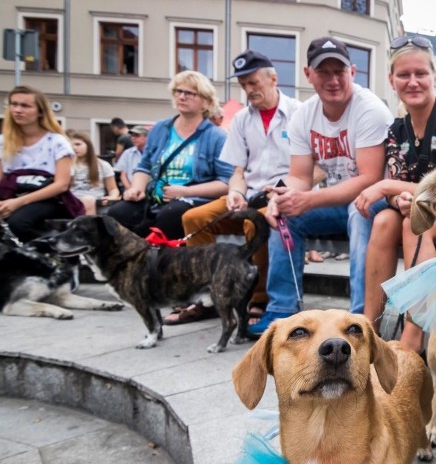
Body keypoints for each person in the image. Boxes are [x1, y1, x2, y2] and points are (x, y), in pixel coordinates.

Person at [248, 36, 394, 337]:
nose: (333, 79)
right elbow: (300, 176)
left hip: (377, 198)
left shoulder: (370, 109)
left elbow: (370, 178)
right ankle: (281, 310)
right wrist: (281, 196)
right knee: (284, 213)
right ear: (308, 74)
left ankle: (359, 319)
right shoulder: (304, 115)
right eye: (323, 72)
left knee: (360, 209)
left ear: (352, 72)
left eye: (339, 71)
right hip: (338, 199)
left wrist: (309, 200)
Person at [355, 34, 436, 352]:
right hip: (435, 211)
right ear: (392, 80)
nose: (413, 82)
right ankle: (367, 326)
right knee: (387, 220)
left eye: (421, 74)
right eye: (404, 75)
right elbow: (402, 185)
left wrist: (387, 186)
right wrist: (395, 196)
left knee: (412, 221)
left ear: (435, 78)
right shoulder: (397, 130)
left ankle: (413, 335)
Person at [167, 50, 301, 325]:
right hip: (249, 191)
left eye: (253, 83)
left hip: (282, 191)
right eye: (243, 85)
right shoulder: (241, 118)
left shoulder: (299, 113)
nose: (248, 90)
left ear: (273, 78)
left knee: (259, 221)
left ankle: (259, 298)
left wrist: (279, 188)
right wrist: (235, 192)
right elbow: (237, 170)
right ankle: (207, 295)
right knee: (194, 217)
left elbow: (314, 167)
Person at [108, 71, 231, 240]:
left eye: (189, 93)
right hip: (155, 197)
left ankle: (162, 263)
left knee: (171, 216)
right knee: (117, 213)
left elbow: (226, 182)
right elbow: (144, 166)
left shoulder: (217, 136)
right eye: (178, 91)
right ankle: (127, 263)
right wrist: (136, 188)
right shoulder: (160, 128)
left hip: (192, 199)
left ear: (206, 102)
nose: (181, 97)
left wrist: (185, 191)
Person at [0, 85, 81, 241]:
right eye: (14, 104)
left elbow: (62, 185)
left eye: (25, 106)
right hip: (11, 194)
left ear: (40, 112)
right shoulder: (3, 142)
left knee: (18, 223)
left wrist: (18, 203)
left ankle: (58, 250)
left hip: (48, 199)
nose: (17, 110)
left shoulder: (57, 142)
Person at [67, 130, 120, 215]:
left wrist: (112, 197)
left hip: (95, 199)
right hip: (72, 200)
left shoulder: (103, 165)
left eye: (78, 144)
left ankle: (88, 226)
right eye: (71, 145)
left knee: (88, 199)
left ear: (88, 146)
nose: (74, 148)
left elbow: (113, 189)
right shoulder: (66, 165)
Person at [114, 125, 148, 191]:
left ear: (146, 138)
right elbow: (123, 175)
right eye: (132, 136)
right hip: (130, 190)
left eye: (137, 136)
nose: (133, 138)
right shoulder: (127, 153)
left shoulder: (153, 153)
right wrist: (130, 190)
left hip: (149, 192)